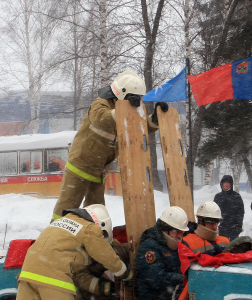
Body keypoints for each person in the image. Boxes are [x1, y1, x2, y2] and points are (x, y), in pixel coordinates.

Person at [51, 70, 166, 221]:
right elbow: (102, 120)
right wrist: (122, 109)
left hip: (99, 170)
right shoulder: (100, 104)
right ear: (122, 93)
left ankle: (91, 237)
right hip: (80, 167)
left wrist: (154, 120)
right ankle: (56, 235)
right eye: (135, 97)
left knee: (96, 211)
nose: (137, 100)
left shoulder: (126, 108)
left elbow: (138, 128)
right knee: (67, 207)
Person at [135, 206, 190, 300]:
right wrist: (184, 279)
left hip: (175, 291)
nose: (179, 236)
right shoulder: (149, 248)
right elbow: (156, 279)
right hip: (154, 299)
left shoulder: (182, 245)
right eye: (176, 232)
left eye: (182, 232)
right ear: (165, 229)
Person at [213, 175, 245, 241]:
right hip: (222, 227)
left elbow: (240, 212)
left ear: (231, 184)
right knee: (223, 247)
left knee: (233, 247)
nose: (226, 184)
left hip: (234, 227)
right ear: (222, 184)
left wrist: (239, 225)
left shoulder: (236, 196)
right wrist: (215, 225)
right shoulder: (218, 197)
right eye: (224, 182)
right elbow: (214, 211)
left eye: (228, 182)